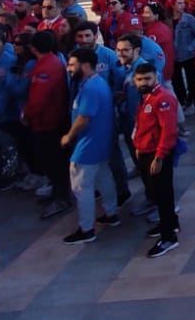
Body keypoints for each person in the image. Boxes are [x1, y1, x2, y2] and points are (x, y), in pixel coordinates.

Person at [61, 47, 119, 244]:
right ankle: (111, 213)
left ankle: (86, 228)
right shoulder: (97, 83)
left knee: (81, 186)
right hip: (101, 142)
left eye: (72, 65)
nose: (69, 69)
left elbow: (84, 118)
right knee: (104, 177)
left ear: (84, 65)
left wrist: (69, 136)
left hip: (88, 145)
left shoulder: (91, 88)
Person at [130, 62, 181, 257]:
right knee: (154, 192)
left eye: (147, 79)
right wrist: (138, 146)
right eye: (140, 79)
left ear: (156, 78)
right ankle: (170, 223)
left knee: (163, 194)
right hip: (145, 151)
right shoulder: (145, 98)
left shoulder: (163, 99)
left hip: (157, 154)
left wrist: (159, 156)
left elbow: (168, 131)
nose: (143, 82)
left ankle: (168, 237)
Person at [23, 31, 73, 220]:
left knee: (54, 162)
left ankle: (62, 197)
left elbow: (38, 100)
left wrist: (26, 114)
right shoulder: (52, 61)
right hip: (49, 120)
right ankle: (58, 192)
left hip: (47, 122)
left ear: (33, 48)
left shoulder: (46, 67)